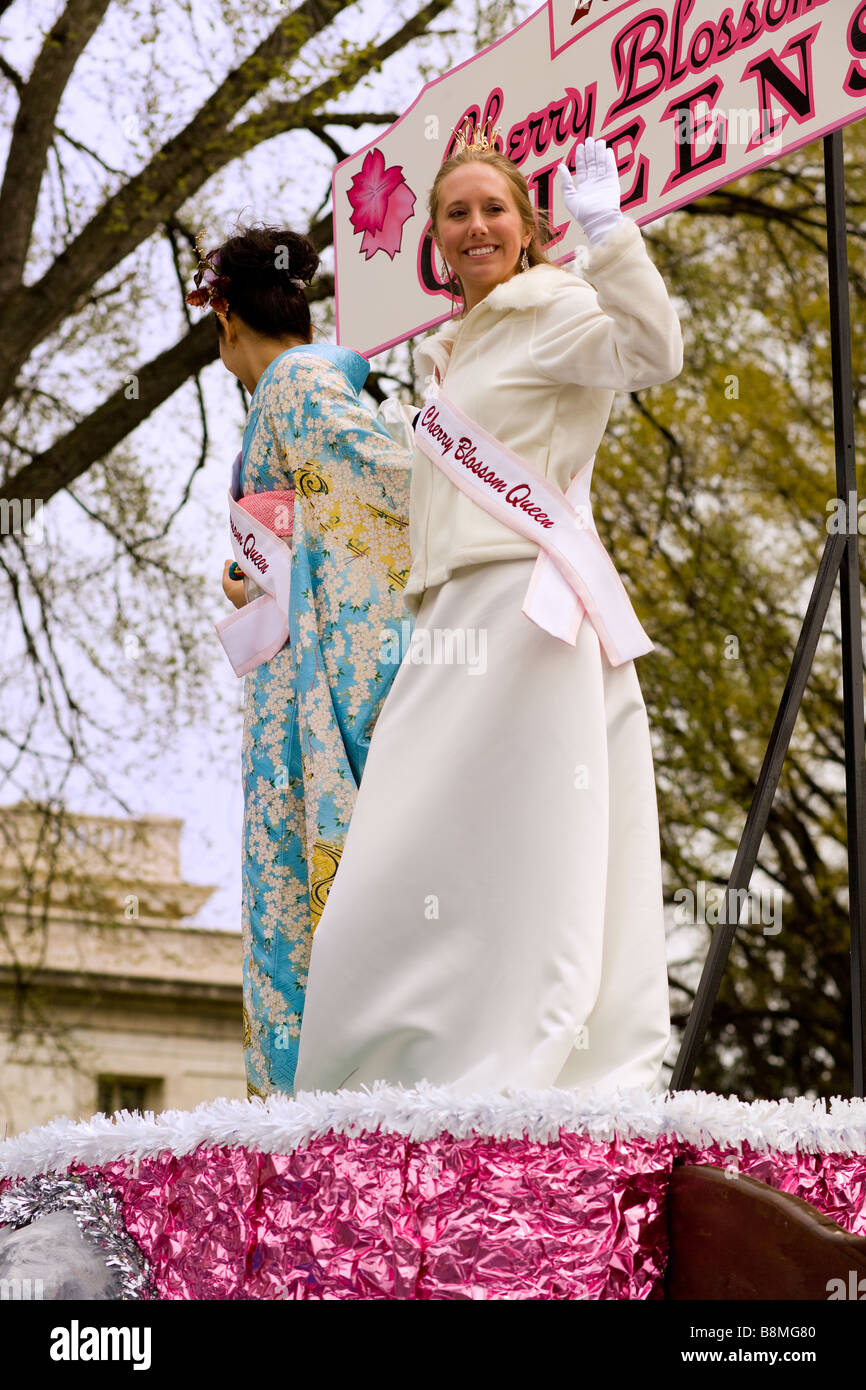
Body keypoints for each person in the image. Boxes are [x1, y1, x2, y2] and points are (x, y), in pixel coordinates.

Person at [292, 129, 683, 1100]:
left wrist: (609, 233)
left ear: (526, 225)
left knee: (520, 846)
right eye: (456, 213)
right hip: (452, 612)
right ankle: (398, 1069)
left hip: (526, 613)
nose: (475, 226)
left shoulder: (552, 308)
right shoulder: (449, 353)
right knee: (419, 842)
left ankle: (506, 1067)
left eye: (492, 209)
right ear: (433, 236)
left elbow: (649, 351)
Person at [188, 223, 413, 1098]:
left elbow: (395, 491)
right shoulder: (289, 396)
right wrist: (269, 585)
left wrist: (297, 578)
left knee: (311, 906)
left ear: (229, 322)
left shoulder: (293, 387)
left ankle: (313, 1102)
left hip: (313, 699)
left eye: (218, 335)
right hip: (294, 680)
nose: (221, 359)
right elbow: (327, 532)